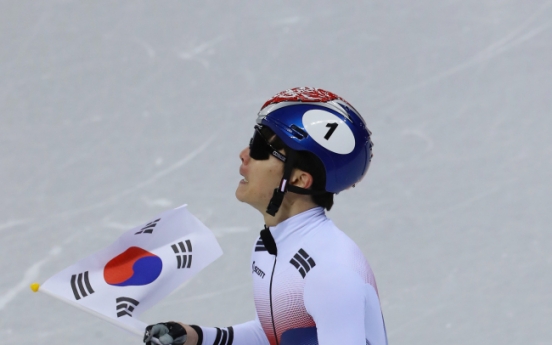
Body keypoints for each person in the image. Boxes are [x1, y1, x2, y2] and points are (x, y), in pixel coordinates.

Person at [143, 87, 388, 345]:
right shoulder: (272, 245)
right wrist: (196, 337)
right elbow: (274, 335)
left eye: (260, 147)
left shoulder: (331, 273)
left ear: (298, 179)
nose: (244, 154)